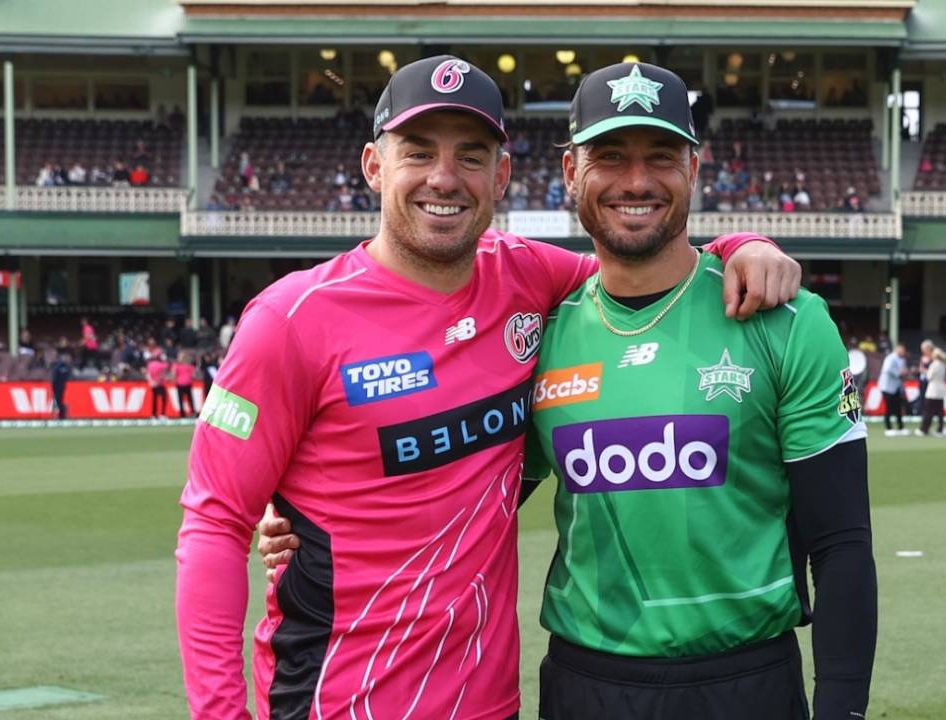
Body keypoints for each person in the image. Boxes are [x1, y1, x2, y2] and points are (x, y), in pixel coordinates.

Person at [177, 55, 801, 720]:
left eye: (471, 156)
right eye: (418, 152)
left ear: (501, 175)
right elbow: (214, 525)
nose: (445, 178)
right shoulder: (288, 322)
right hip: (338, 701)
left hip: (489, 705)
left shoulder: (526, 278)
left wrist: (740, 243)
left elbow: (643, 259)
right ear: (373, 166)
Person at [521, 61, 874, 720]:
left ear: (695, 166)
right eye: (609, 157)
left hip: (747, 683)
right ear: (571, 171)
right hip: (584, 683)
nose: (636, 180)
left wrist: (843, 709)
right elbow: (466, 500)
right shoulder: (540, 336)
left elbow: (841, 543)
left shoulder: (788, 320)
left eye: (661, 156)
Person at [879, 343, 909, 435]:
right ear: (898, 349)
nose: (903, 352)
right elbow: (887, 370)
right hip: (887, 386)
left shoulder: (902, 360)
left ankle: (900, 428)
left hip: (896, 386)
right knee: (889, 407)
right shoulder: (890, 358)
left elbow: (904, 370)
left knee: (898, 407)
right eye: (902, 350)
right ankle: (888, 428)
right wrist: (899, 373)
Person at [919, 347, 946, 436]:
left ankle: (924, 429)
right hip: (941, 389)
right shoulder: (943, 364)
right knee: (940, 411)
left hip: (933, 390)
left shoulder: (935, 364)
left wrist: (924, 371)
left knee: (928, 410)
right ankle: (941, 428)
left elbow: (929, 377)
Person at [146, 345, 169, 418]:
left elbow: (148, 374)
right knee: (163, 398)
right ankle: (162, 414)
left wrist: (151, 382)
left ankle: (154, 414)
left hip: (154, 384)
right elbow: (163, 373)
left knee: (155, 399)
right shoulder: (163, 364)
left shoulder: (150, 364)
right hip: (160, 384)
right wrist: (157, 381)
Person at [49, 349, 72, 420]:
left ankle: (62, 415)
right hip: (55, 385)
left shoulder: (62, 365)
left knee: (59, 400)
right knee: (57, 400)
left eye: (53, 354)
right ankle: (60, 415)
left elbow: (66, 374)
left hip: (60, 385)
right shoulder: (53, 364)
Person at [174, 350, 197, 417]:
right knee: (189, 399)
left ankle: (182, 414)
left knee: (181, 399)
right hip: (187, 383)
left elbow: (174, 374)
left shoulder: (177, 365)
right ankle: (192, 412)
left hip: (180, 383)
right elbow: (194, 375)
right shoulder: (189, 366)